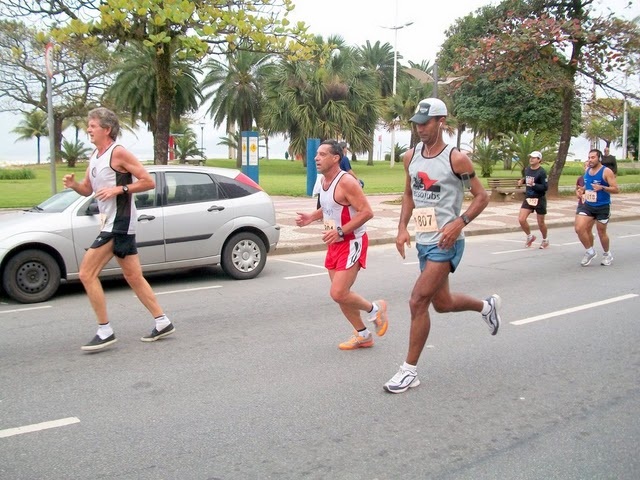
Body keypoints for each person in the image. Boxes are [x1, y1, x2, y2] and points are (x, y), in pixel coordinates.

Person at [384, 98, 501, 394]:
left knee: (417, 301)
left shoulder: (456, 159)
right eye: (417, 124)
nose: (420, 128)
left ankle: (409, 371)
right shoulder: (410, 157)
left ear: (441, 122)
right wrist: (401, 228)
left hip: (446, 241)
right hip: (424, 239)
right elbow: (409, 194)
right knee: (442, 303)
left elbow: (481, 196)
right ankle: (487, 307)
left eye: (426, 123)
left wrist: (459, 222)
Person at [62, 107, 175, 351]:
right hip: (111, 222)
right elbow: (88, 189)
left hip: (119, 223)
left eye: (92, 126)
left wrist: (119, 190)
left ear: (107, 129)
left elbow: (148, 181)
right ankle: (162, 321)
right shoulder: (95, 155)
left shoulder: (118, 153)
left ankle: (105, 330)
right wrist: (73, 186)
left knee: (86, 273)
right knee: (133, 276)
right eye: (88, 126)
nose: (88, 130)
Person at [295, 140, 388, 350]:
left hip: (351, 241)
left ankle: (375, 309)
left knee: (338, 292)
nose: (316, 158)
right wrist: (312, 216)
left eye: (322, 154)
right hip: (334, 243)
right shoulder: (322, 181)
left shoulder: (346, 182)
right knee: (341, 296)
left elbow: (367, 212)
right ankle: (363, 336)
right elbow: (330, 206)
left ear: (336, 158)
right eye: (316, 154)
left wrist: (340, 231)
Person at [575, 148, 619, 266]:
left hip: (602, 206)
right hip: (588, 205)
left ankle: (607, 254)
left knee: (601, 232)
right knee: (579, 228)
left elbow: (616, 189)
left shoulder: (606, 171)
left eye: (593, 157)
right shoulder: (587, 171)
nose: (590, 160)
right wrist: (581, 190)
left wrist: (602, 188)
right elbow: (587, 186)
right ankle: (590, 251)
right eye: (589, 157)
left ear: (599, 158)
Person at [517, 151, 549, 249]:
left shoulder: (542, 172)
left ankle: (545, 240)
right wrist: (522, 181)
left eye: (534, 158)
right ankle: (530, 236)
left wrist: (534, 184)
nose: (531, 159)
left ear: (539, 160)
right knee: (521, 219)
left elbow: (545, 187)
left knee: (540, 222)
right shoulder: (527, 169)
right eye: (530, 157)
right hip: (528, 198)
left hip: (539, 199)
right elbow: (527, 178)